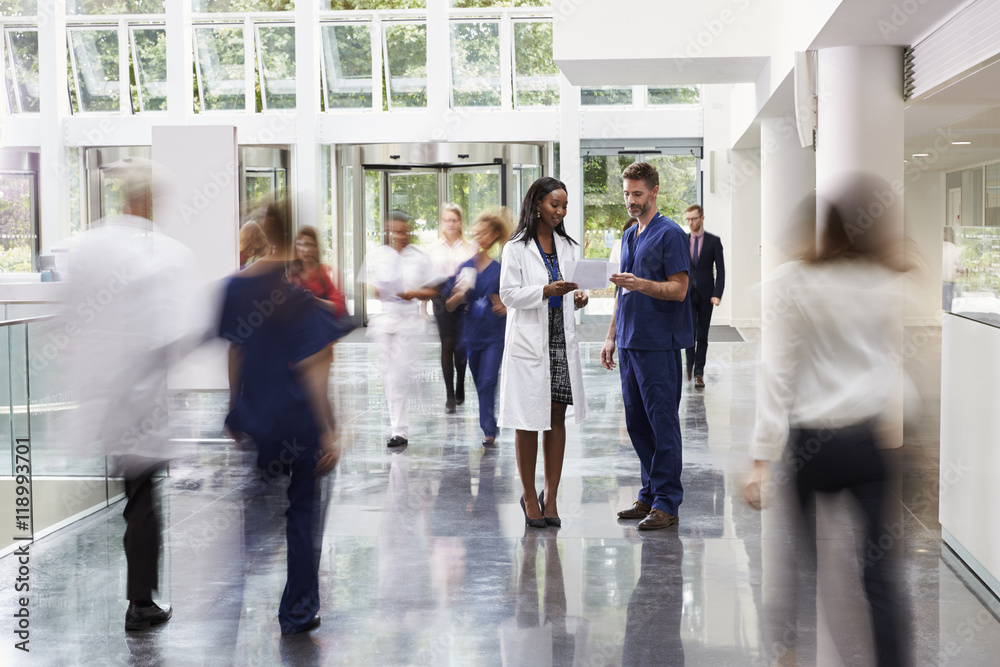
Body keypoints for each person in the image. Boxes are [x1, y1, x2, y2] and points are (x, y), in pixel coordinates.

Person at [743, 175, 911, 666]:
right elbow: (891, 365)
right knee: (881, 577)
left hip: (815, 443)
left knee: (798, 562)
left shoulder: (796, 281)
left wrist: (760, 459)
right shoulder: (882, 282)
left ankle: (790, 651)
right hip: (868, 442)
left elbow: (778, 373)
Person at [61, 159, 203, 631]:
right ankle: (140, 602)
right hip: (139, 404)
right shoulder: (162, 254)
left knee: (134, 499)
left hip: (102, 400)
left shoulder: (88, 245)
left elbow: (71, 322)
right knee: (142, 503)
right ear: (147, 200)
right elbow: (170, 335)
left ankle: (140, 597)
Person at [220, 203, 343, 636]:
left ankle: (226, 596)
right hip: (301, 423)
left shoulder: (235, 288)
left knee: (256, 513)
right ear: (293, 238)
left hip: (258, 417)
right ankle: (297, 611)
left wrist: (235, 407)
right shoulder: (298, 299)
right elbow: (315, 366)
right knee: (302, 514)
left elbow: (235, 350)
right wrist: (328, 430)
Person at [601, 161, 692, 531]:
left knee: (662, 423)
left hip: (659, 344)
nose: (630, 201)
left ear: (654, 192)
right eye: (626, 193)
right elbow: (622, 291)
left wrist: (643, 284)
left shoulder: (670, 234)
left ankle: (667, 501)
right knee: (637, 423)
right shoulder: (629, 236)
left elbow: (680, 289)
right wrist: (610, 336)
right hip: (629, 341)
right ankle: (650, 494)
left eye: (637, 194)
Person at [499, 177, 589, 528]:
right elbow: (508, 295)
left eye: (564, 205)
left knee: (556, 416)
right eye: (555, 204)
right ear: (537, 204)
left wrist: (575, 299)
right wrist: (545, 291)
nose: (560, 211)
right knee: (527, 421)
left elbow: (567, 293)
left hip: (559, 343)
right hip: (529, 344)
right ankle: (527, 494)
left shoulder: (567, 245)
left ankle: (550, 497)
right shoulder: (516, 248)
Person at [367, 212, 441, 447]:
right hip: (385, 322)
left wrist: (414, 294)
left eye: (402, 231)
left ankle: (401, 429)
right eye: (394, 231)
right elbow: (370, 287)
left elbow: (434, 290)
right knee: (389, 376)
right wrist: (379, 291)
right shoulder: (379, 255)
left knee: (399, 374)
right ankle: (397, 429)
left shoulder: (420, 257)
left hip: (408, 323)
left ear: (409, 231)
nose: (398, 236)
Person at [445, 209, 511, 447]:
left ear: (494, 235)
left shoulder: (502, 269)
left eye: (484, 233)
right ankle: (488, 424)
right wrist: (459, 296)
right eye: (476, 233)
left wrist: (506, 307)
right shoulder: (466, 267)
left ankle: (489, 429)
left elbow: (513, 300)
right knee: (480, 380)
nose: (479, 237)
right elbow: (449, 304)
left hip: (495, 334)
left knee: (488, 379)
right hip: (472, 335)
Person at [430, 203, 477, 413]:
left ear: (460, 222)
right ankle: (449, 394)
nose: (450, 224)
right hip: (440, 299)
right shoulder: (433, 249)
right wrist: (423, 307)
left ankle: (460, 384)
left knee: (460, 346)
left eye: (454, 220)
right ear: (442, 223)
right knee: (447, 344)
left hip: (463, 298)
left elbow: (474, 274)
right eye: (447, 220)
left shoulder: (470, 247)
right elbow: (428, 281)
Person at [683, 204, 725, 388]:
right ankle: (689, 368)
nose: (691, 222)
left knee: (702, 336)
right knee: (688, 334)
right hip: (687, 294)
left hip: (707, 295)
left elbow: (721, 271)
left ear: (702, 218)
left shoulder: (713, 241)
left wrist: (717, 294)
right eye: (688, 219)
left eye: (694, 218)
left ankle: (699, 373)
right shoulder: (683, 241)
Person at [289, 225, 346, 316]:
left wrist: (314, 300)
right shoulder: (291, 275)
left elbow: (338, 307)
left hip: (318, 325)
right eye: (300, 244)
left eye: (309, 244)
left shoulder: (323, 272)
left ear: (315, 247)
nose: (305, 249)